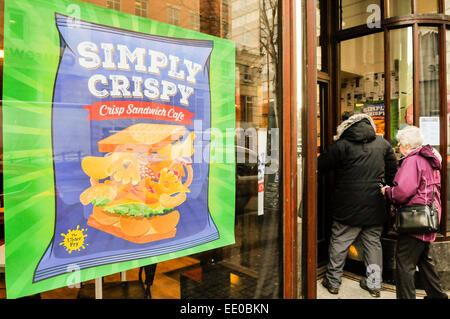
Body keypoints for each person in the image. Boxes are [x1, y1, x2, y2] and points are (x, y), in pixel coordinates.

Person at [318, 112, 397, 298]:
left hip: (347, 207)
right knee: (373, 245)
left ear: (347, 126)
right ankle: (374, 285)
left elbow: (319, 166)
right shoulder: (383, 144)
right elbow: (394, 175)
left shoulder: (341, 146)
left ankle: (333, 282)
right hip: (375, 205)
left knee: (339, 243)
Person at [381, 126, 448, 299]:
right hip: (428, 217)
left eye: (400, 145)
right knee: (424, 261)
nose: (399, 149)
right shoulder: (429, 159)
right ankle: (438, 296)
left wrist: (388, 192)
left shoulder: (413, 160)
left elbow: (403, 192)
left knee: (404, 264)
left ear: (408, 145)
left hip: (414, 219)